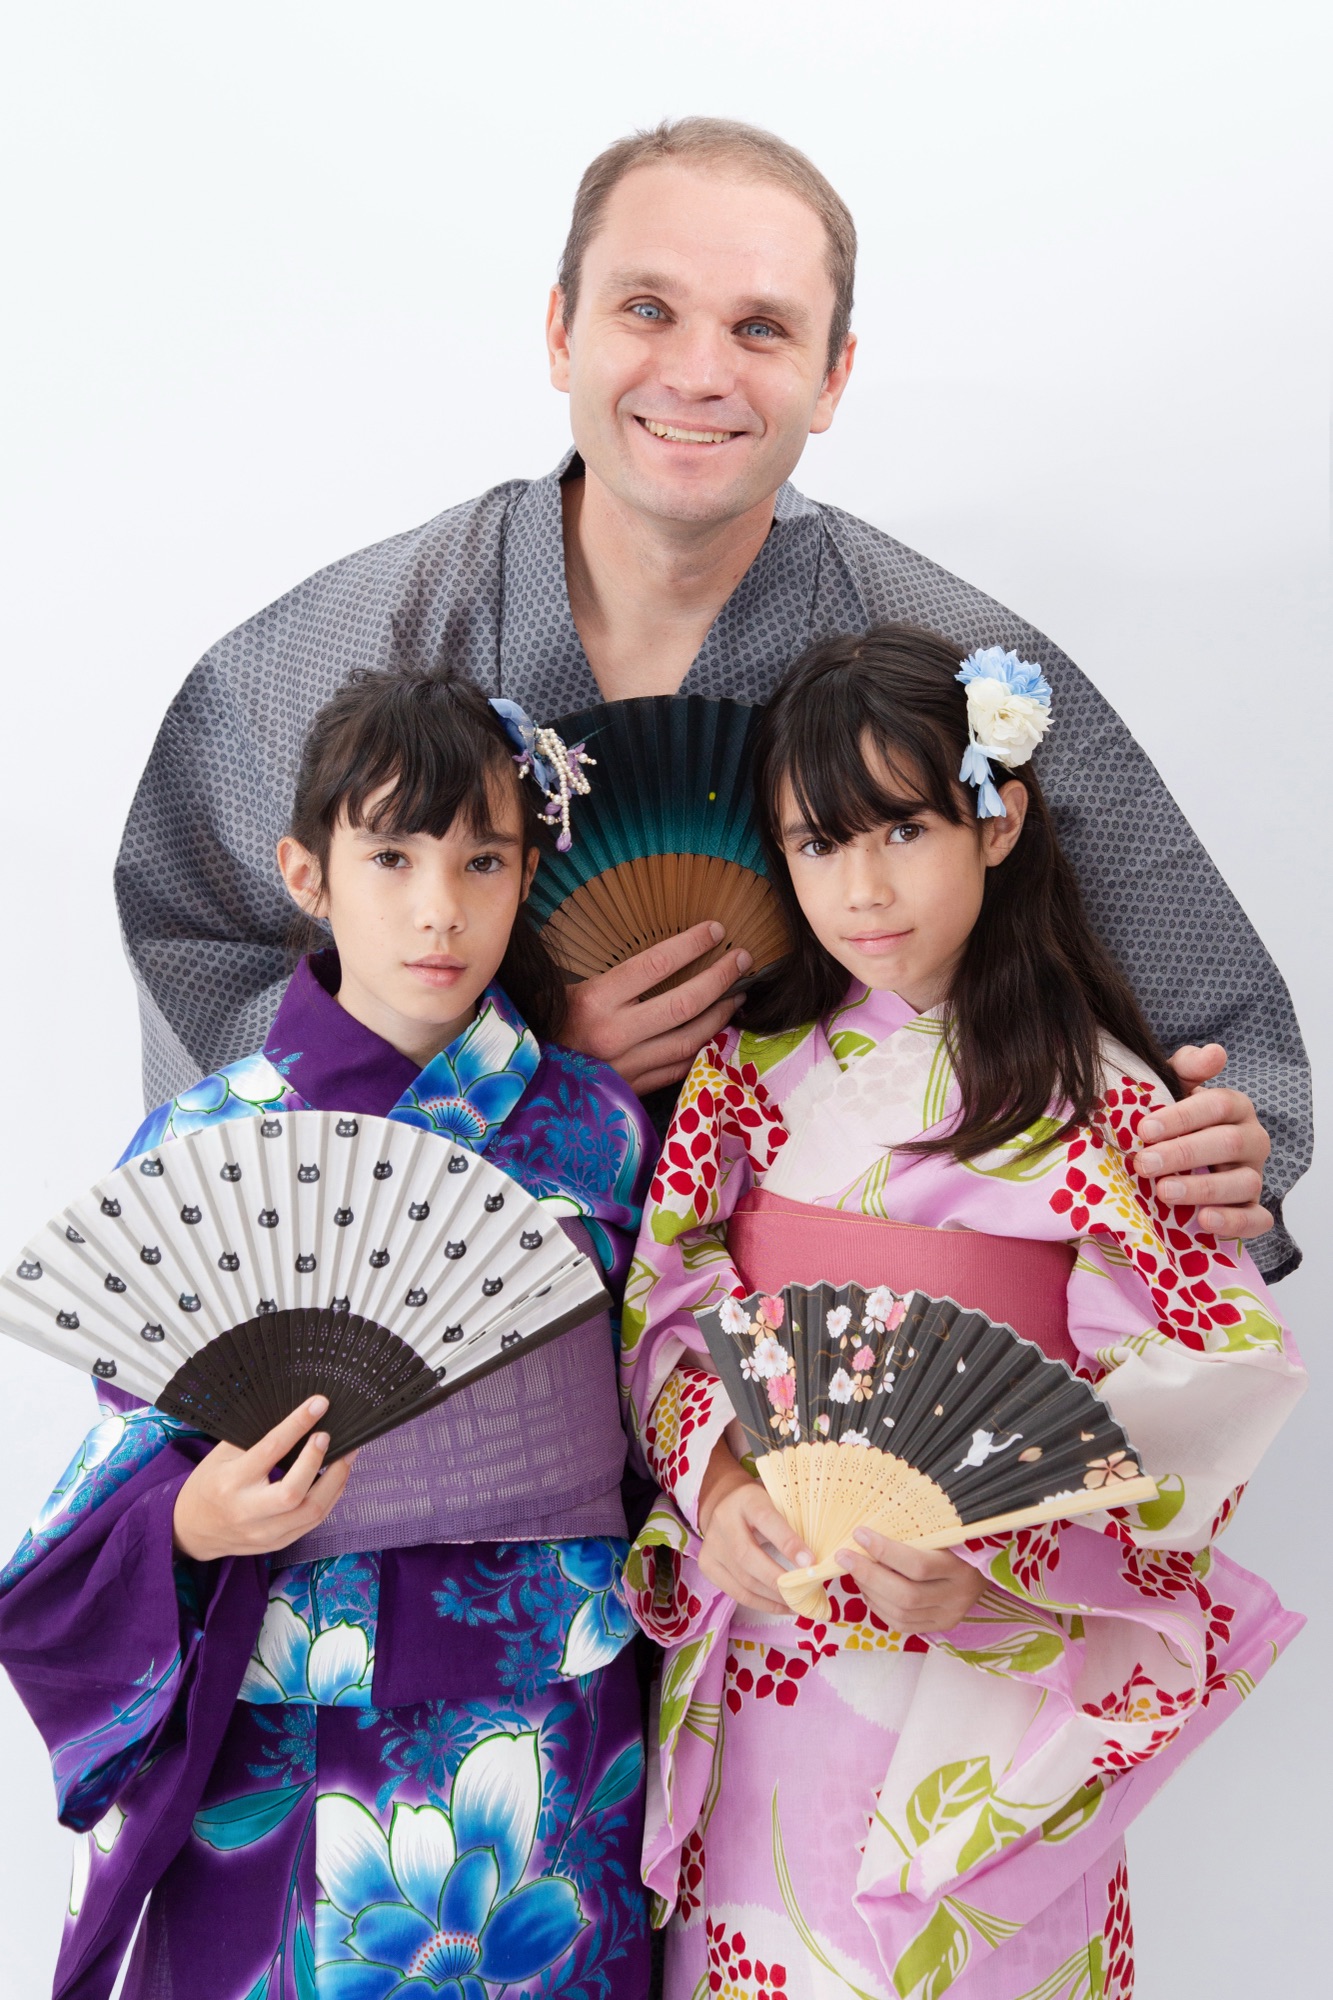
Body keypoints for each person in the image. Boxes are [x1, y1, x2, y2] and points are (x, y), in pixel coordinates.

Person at [113, 117, 1300, 1274]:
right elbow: (198, 938)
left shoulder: (951, 663)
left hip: (832, 1309)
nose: (697, 371)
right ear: (558, 333)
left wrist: (1219, 1138)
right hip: (466, 1299)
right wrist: (506, 1059)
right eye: (646, 309)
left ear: (831, 376)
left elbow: (1187, 999)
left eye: (761, 327)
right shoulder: (354, 643)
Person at [617, 625, 1305, 2000]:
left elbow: (1202, 1383)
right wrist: (725, 1478)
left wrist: (1000, 1564)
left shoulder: (1107, 1104)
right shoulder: (741, 1084)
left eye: (904, 830)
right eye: (818, 845)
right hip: (774, 1653)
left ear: (998, 825)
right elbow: (668, 1311)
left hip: (984, 1678)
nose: (861, 888)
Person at [0, 667, 656, 2000]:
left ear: (529, 870)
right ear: (309, 873)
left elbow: (666, 1398)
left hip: (552, 1702)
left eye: (483, 859)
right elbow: (132, 1448)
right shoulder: (212, 1137)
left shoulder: (598, 1130)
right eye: (392, 855)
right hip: (294, 1699)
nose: (438, 908)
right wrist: (195, 1522)